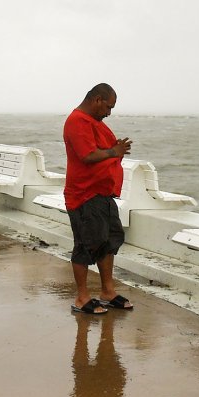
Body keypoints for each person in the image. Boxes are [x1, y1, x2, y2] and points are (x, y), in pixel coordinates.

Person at [64, 83, 134, 314]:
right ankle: (82, 298)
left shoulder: (95, 123)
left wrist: (115, 149)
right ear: (97, 100)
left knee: (108, 241)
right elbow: (87, 155)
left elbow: (102, 149)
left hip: (103, 193)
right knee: (85, 245)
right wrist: (114, 152)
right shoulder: (77, 121)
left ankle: (107, 292)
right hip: (84, 194)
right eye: (108, 107)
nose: (109, 113)